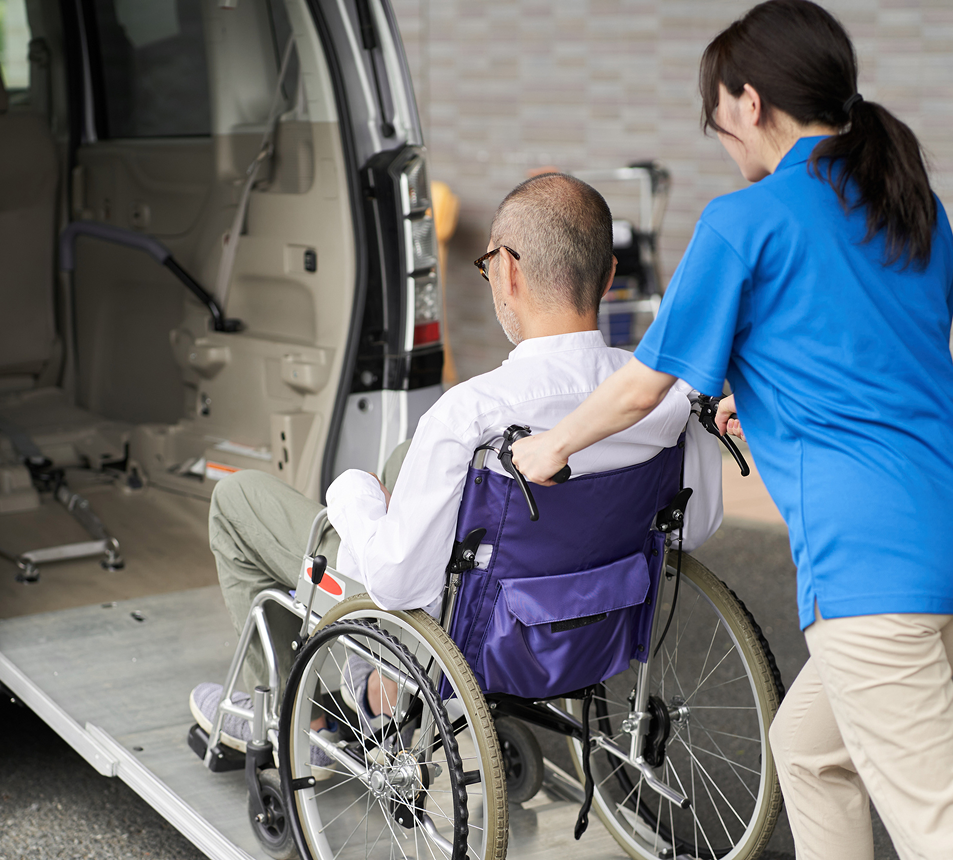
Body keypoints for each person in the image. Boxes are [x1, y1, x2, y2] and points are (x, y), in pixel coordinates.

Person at [512, 3, 953, 858]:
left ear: (749, 104)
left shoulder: (744, 221)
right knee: (808, 753)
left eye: (715, 120)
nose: (723, 141)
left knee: (935, 820)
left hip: (870, 572)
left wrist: (550, 446)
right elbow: (882, 355)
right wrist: (775, 393)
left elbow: (643, 385)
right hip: (936, 526)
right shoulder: (912, 205)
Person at [189, 172, 723, 768]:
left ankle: (314, 711)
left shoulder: (473, 411)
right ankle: (375, 689)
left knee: (238, 500)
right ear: (607, 277)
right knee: (406, 458)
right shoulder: (670, 397)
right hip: (595, 624)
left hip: (461, 637)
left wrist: (354, 496)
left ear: (506, 272)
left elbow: (396, 584)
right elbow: (691, 528)